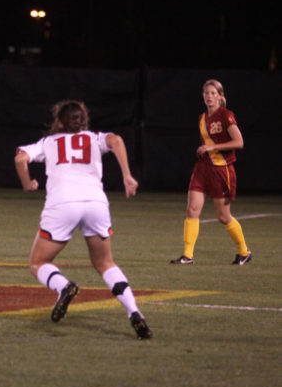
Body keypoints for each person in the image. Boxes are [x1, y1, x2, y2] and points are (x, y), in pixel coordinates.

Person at [14, 100, 152, 339]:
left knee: (38, 262)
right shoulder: (95, 138)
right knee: (105, 264)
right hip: (95, 203)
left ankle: (63, 287)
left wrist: (28, 184)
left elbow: (20, 159)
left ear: (59, 122)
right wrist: (127, 176)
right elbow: (116, 140)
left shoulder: (48, 142)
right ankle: (134, 312)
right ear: (84, 121)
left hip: (62, 204)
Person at [170, 79, 251, 265]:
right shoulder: (202, 118)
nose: (209, 96)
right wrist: (206, 150)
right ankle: (188, 256)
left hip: (222, 171)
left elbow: (239, 142)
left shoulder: (226, 115)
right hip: (202, 168)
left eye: (213, 93)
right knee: (192, 210)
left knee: (223, 216)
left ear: (220, 96)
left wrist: (212, 147)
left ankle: (244, 251)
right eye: (206, 93)